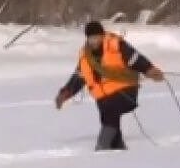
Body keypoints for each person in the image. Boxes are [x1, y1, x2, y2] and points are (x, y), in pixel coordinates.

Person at [54, 21, 165, 151]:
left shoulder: (116, 44)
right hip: (103, 97)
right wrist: (65, 94)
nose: (94, 41)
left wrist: (149, 70)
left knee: (110, 112)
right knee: (108, 117)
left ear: (102, 35)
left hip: (125, 90)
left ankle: (102, 146)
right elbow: (78, 78)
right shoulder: (85, 56)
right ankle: (118, 148)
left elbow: (136, 59)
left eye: (96, 37)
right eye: (91, 38)